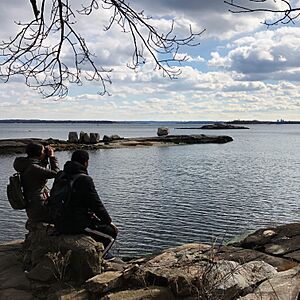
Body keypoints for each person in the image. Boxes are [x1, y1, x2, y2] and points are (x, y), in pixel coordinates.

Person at [56, 149, 118, 258]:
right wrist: (109, 222)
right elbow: (96, 204)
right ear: (86, 162)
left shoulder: (61, 174)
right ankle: (99, 259)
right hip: (74, 223)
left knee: (97, 226)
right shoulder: (84, 179)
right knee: (111, 234)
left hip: (59, 219)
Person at [13, 142, 59, 223]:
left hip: (32, 207)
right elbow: (56, 173)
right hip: (40, 208)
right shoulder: (33, 167)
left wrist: (45, 158)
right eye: (43, 151)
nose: (45, 152)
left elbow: (42, 170)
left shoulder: (26, 164)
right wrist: (52, 157)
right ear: (39, 153)